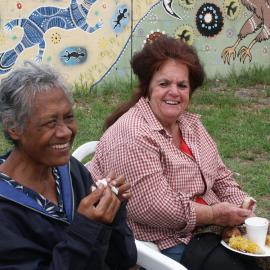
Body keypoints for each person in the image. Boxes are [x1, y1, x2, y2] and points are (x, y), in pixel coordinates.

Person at [88, 35, 263, 270]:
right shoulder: (133, 134)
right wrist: (213, 215)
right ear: (147, 87)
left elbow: (220, 176)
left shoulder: (190, 124)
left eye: (182, 85)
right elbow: (155, 207)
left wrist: (243, 208)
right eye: (164, 84)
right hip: (167, 240)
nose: (174, 92)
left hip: (212, 230)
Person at [0, 61, 137, 270]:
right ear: (13, 128)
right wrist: (87, 229)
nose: (65, 131)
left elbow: (122, 260)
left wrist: (113, 211)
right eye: (50, 122)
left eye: (69, 117)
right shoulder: (6, 209)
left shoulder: (71, 172)